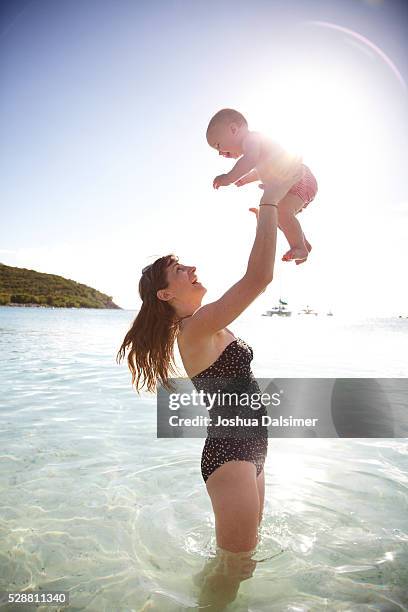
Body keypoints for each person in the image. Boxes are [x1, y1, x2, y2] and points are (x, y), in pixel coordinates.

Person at [117, 168, 302, 609]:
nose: (191, 268)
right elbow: (259, 278)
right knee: (236, 566)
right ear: (165, 294)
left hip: (252, 449)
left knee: (240, 562)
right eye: (179, 270)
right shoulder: (195, 328)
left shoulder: (207, 324)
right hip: (231, 454)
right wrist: (271, 207)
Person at [207, 107, 318, 265]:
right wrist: (246, 179)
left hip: (299, 178)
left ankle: (299, 247)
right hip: (290, 182)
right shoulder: (259, 148)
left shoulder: (251, 139)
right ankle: (302, 242)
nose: (220, 153)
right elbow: (264, 167)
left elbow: (250, 160)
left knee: (282, 211)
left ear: (233, 129)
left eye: (218, 145)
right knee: (276, 215)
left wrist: (229, 177)